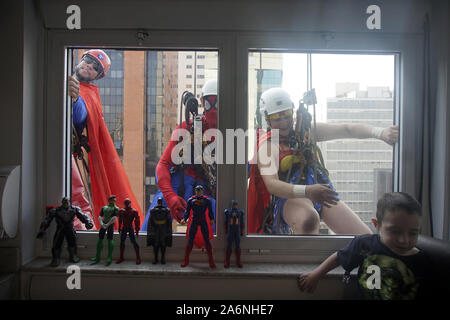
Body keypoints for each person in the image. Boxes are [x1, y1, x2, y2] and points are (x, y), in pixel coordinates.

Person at [247, 87, 399, 235]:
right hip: (291, 198)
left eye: (286, 115)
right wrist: (307, 191)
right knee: (308, 220)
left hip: (319, 191)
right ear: (267, 119)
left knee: (363, 237)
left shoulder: (306, 133)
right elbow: (272, 184)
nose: (284, 122)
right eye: (276, 118)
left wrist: (381, 133)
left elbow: (347, 129)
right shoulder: (267, 146)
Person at [298, 192, 435, 300]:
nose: (404, 240)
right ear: (377, 225)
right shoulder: (365, 245)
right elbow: (339, 257)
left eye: (413, 233)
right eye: (395, 231)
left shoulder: (422, 262)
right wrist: (316, 275)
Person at [68, 49, 144, 230]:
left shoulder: (89, 94)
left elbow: (80, 117)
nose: (89, 67)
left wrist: (74, 97)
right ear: (81, 60)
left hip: (69, 155)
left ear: (98, 76)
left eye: (95, 68)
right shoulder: (65, 78)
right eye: (88, 61)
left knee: (77, 197)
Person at [141, 79, 219, 235]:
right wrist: (170, 196)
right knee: (154, 219)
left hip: (206, 189)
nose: (213, 108)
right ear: (202, 103)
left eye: (217, 103)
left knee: (217, 228)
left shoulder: (232, 136)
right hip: (179, 182)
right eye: (209, 103)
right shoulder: (188, 128)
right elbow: (163, 164)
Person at [37, 197, 93, 267]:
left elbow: (83, 216)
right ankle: (56, 258)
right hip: (60, 228)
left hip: (70, 228)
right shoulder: (55, 210)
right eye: (64, 202)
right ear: (62, 202)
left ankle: (73, 255)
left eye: (67, 201)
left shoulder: (74, 209)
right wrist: (42, 229)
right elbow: (47, 220)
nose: (66, 203)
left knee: (72, 241)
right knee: (57, 242)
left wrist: (88, 222)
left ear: (69, 202)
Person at [180, 185, 216, 268]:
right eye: (197, 190)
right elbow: (187, 212)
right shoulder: (191, 200)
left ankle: (211, 260)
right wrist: (184, 219)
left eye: (200, 190)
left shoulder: (207, 200)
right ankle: (186, 259)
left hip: (203, 220)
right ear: (195, 191)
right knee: (190, 239)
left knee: (207, 240)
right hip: (195, 220)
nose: (198, 192)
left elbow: (210, 211)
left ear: (202, 191)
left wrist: (212, 219)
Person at [91, 195, 119, 266]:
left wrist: (108, 224)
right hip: (103, 224)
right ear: (109, 200)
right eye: (113, 200)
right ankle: (97, 256)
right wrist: (101, 223)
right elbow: (100, 216)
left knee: (110, 239)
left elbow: (114, 217)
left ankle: (109, 257)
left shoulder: (116, 208)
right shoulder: (104, 207)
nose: (114, 201)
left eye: (114, 200)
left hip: (110, 225)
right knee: (100, 239)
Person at [147, 197, 173, 264]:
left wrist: (168, 230)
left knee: (163, 243)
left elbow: (169, 221)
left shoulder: (166, 210)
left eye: (160, 201)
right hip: (156, 229)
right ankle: (155, 258)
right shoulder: (153, 210)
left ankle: (162, 258)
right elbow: (150, 221)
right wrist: (151, 230)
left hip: (163, 229)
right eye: (159, 201)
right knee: (155, 244)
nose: (159, 202)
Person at [116, 198, 141, 265]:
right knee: (122, 242)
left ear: (130, 203)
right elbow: (120, 220)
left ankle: (138, 257)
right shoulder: (122, 211)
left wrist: (137, 230)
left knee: (134, 242)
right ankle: (121, 257)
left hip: (130, 227)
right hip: (125, 227)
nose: (127, 205)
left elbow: (137, 221)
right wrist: (119, 227)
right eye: (126, 203)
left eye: (128, 203)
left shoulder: (134, 211)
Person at [224, 200, 245, 268]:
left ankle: (238, 261)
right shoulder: (228, 211)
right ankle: (227, 261)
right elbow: (225, 222)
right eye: (234, 204)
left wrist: (242, 231)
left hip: (237, 229)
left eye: (236, 204)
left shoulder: (240, 212)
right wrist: (226, 230)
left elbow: (242, 222)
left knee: (238, 245)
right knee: (229, 245)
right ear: (232, 205)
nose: (235, 206)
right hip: (231, 229)